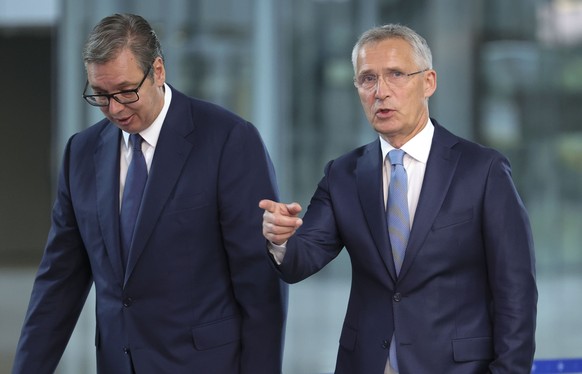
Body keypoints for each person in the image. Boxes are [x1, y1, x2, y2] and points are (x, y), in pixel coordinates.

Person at [13, 13, 287, 374]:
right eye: (100, 95)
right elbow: (59, 281)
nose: (114, 109)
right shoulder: (80, 153)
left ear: (158, 71)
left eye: (126, 92)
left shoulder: (228, 140)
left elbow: (259, 284)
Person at [260, 24, 537, 374]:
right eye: (367, 79)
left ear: (429, 82)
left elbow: (516, 292)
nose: (381, 92)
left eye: (395, 75)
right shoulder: (343, 174)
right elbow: (303, 258)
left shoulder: (483, 171)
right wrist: (281, 240)